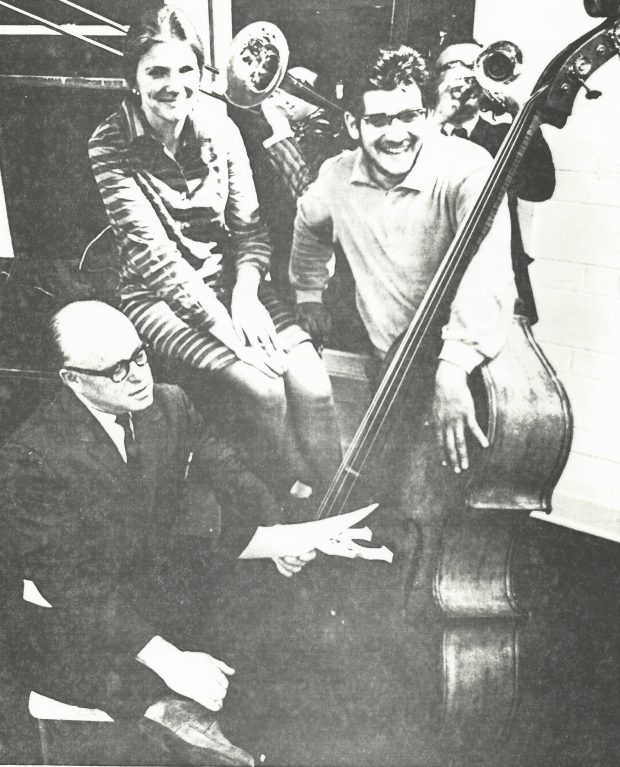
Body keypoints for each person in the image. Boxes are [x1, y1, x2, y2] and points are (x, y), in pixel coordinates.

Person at [0, 301, 378, 766]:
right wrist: (168, 660)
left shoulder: (169, 401)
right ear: (72, 379)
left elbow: (230, 471)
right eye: (116, 370)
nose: (138, 375)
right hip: (82, 613)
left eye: (139, 356)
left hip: (153, 583)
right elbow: (75, 587)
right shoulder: (31, 458)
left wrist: (282, 534)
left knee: (283, 632)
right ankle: (162, 711)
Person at [88, 4, 341, 501]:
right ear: (132, 78)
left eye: (185, 69)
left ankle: (341, 499)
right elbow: (159, 262)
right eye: (156, 71)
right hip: (155, 297)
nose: (173, 84)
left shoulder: (219, 125)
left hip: (231, 284)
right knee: (264, 387)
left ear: (200, 72)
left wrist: (246, 294)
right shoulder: (109, 143)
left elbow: (251, 231)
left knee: (315, 386)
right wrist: (231, 333)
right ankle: (288, 498)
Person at [289, 45, 516, 474]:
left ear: (428, 115)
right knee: (394, 482)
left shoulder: (467, 168)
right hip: (392, 363)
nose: (396, 134)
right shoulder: (337, 176)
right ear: (352, 124)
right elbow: (310, 224)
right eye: (377, 120)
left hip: (465, 369)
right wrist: (308, 291)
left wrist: (453, 368)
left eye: (409, 116)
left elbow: (487, 270)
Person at [433, 41, 556, 324]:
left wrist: (519, 113)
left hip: (494, 287)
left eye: (475, 64)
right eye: (454, 66)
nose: (468, 75)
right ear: (435, 79)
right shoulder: (416, 136)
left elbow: (541, 187)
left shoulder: (503, 137)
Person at [232, 66, 343, 298]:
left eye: (291, 86)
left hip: (320, 272)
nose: (278, 93)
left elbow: (311, 200)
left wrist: (280, 126)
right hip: (282, 257)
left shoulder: (329, 135)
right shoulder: (281, 130)